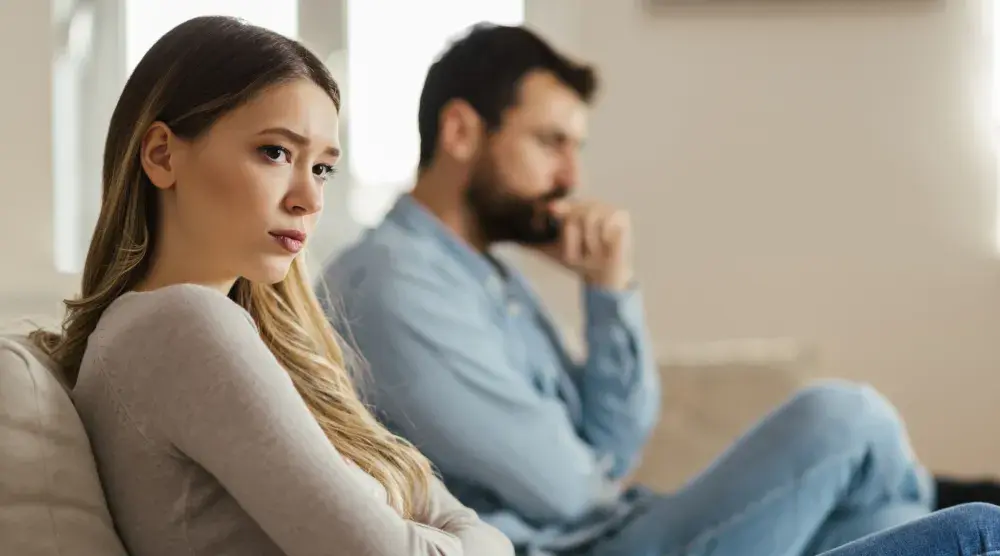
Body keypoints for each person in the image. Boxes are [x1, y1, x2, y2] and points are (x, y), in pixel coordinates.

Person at [321, 23, 1000, 556]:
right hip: (589, 547)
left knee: (892, 521)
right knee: (846, 418)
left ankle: (926, 496)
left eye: (576, 148)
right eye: (551, 142)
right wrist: (604, 468)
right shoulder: (392, 284)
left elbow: (615, 442)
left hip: (622, 527)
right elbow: (570, 493)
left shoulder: (490, 275)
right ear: (462, 131)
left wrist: (608, 290)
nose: (570, 175)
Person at [29, 16, 512, 556]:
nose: (310, 198)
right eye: (275, 152)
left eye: (323, 167)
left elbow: (434, 508)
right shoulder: (181, 326)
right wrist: (483, 543)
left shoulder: (191, 331)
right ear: (162, 155)